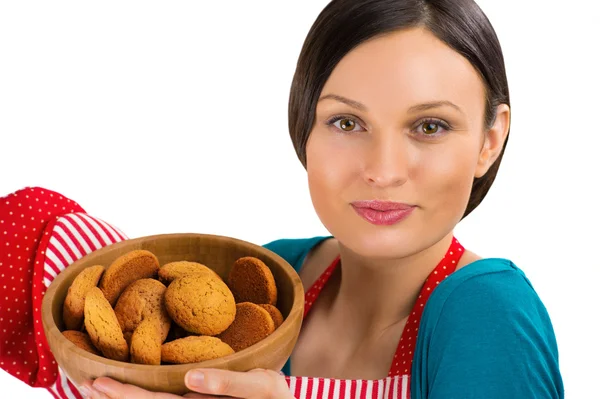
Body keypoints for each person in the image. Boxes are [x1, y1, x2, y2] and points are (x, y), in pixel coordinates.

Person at [69, 0, 563, 397]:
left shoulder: (490, 312)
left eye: (429, 126)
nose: (383, 172)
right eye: (346, 123)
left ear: (490, 139)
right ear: (304, 124)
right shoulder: (270, 280)